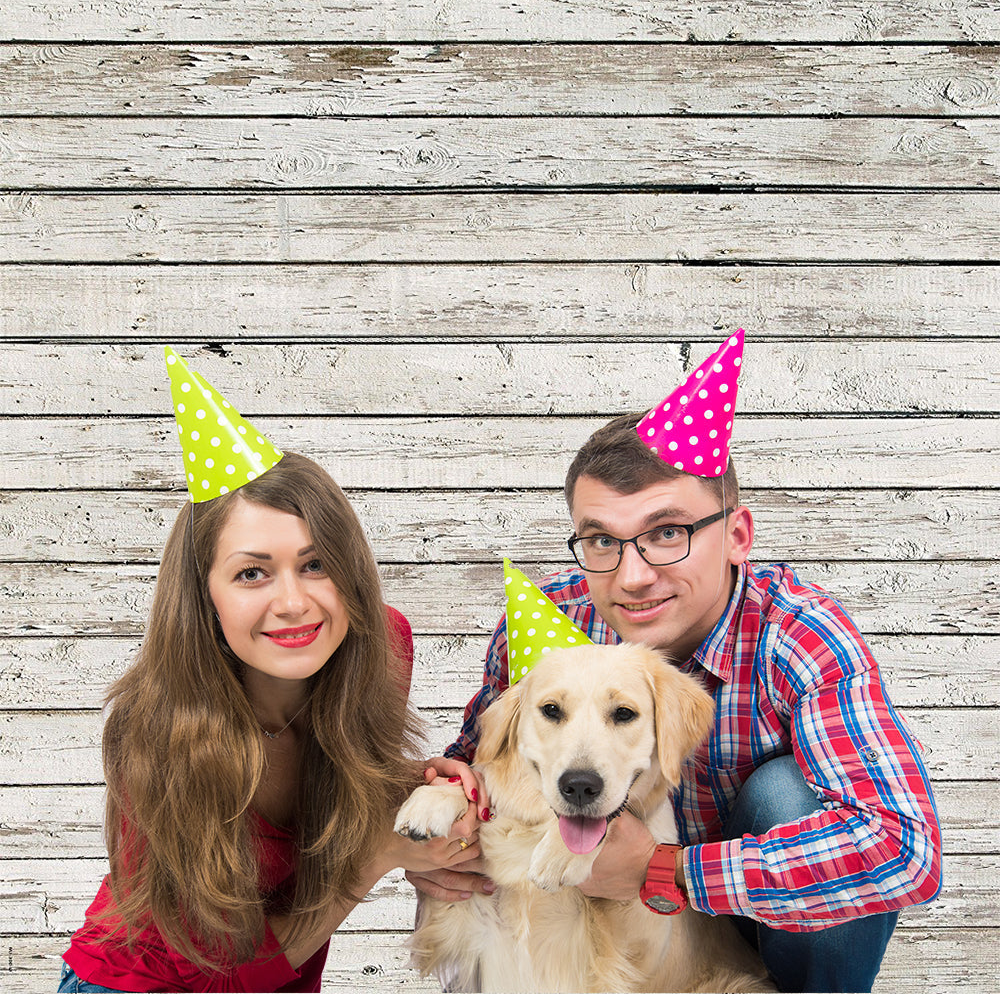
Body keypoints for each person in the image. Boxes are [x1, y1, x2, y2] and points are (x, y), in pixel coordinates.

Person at [408, 331, 942, 993]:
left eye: (667, 533)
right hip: (592, 930)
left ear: (737, 536)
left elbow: (903, 849)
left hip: (756, 927)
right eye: (602, 539)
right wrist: (439, 842)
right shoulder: (550, 620)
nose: (632, 576)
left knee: (790, 796)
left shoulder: (799, 636)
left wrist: (666, 870)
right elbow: (477, 758)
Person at [59, 351, 479, 993]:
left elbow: (346, 772)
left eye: (316, 565)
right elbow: (228, 977)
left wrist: (417, 784)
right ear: (205, 597)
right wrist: (377, 861)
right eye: (252, 572)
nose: (292, 602)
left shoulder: (379, 646)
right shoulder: (156, 732)